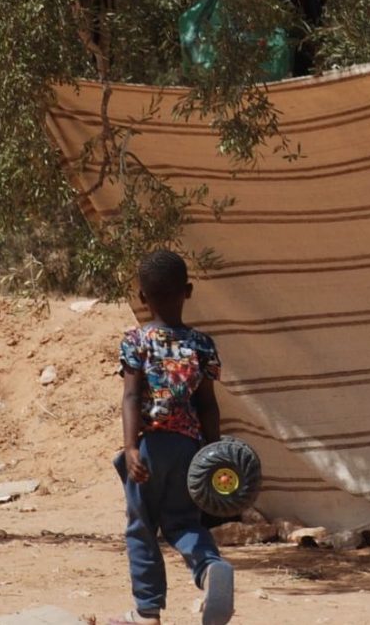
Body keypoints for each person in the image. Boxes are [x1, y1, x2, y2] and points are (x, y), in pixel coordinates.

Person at [111, 250, 234, 625]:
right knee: (184, 523)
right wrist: (211, 453)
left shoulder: (137, 341)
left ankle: (147, 612)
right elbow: (208, 406)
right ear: (189, 291)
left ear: (142, 297)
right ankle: (209, 567)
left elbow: (132, 396)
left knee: (141, 525)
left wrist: (132, 447)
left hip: (148, 448)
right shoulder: (201, 345)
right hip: (189, 450)